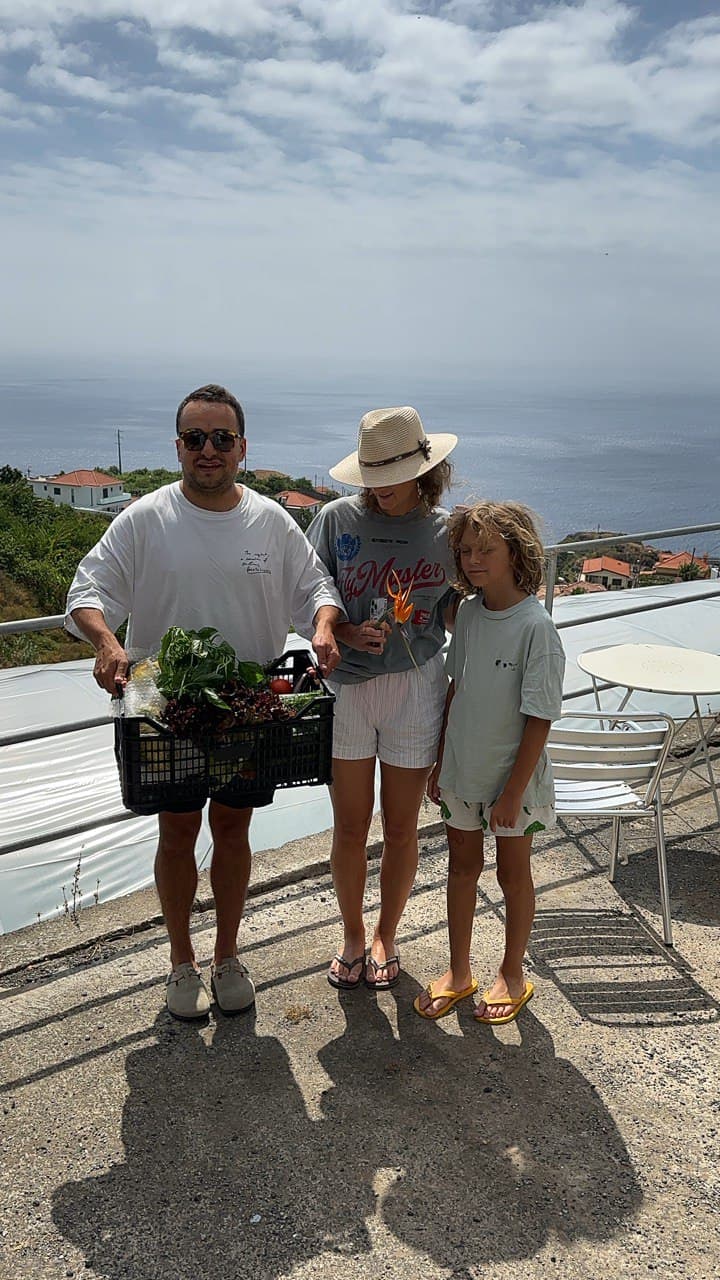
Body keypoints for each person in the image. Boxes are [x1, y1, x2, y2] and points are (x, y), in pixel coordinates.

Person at [66, 384, 344, 1021]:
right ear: (178, 448)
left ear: (243, 448)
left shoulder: (272, 521)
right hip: (164, 705)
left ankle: (227, 956)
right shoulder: (145, 519)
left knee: (234, 829)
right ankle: (180, 963)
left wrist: (324, 624)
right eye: (196, 438)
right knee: (178, 830)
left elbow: (315, 587)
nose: (209, 449)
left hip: (248, 708)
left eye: (222, 438)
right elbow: (88, 590)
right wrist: (107, 641)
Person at [306, 405, 458, 991]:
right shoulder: (335, 519)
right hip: (347, 686)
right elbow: (308, 589)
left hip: (417, 684)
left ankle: (385, 935)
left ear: (425, 472)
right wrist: (339, 629)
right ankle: (350, 932)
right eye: (371, 479)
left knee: (401, 828)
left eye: (391, 479)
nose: (380, 492)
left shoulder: (447, 532)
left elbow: (459, 604)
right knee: (348, 828)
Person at [415, 500, 565, 1024]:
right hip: (462, 771)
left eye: (486, 549)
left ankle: (513, 973)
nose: (474, 560)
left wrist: (512, 792)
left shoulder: (536, 627)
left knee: (512, 874)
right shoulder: (471, 613)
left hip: (512, 783)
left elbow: (540, 718)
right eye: (466, 550)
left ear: (515, 551)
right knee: (460, 868)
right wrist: (439, 763)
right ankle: (459, 972)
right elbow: (457, 689)